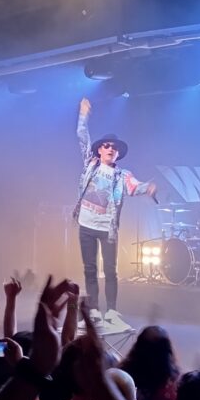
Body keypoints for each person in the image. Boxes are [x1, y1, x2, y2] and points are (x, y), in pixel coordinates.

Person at [73, 98, 156, 325]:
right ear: (99, 150)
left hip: (107, 229)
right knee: (90, 269)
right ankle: (93, 310)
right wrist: (83, 114)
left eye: (114, 147)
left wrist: (147, 188)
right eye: (107, 146)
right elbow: (81, 135)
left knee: (110, 271)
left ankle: (112, 311)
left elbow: (134, 187)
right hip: (86, 225)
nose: (111, 149)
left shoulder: (122, 175)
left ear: (118, 153)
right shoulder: (91, 164)